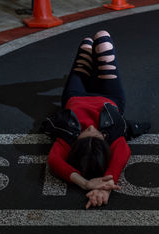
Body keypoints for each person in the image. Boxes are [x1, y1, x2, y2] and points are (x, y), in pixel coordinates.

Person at [45, 30, 131, 209]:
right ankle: (97, 66)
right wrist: (107, 184)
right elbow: (122, 155)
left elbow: (54, 161)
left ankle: (90, 63)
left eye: (86, 133)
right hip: (110, 97)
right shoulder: (113, 137)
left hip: (76, 96)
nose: (92, 128)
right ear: (104, 141)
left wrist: (84, 183)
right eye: (97, 134)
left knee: (86, 45)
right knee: (103, 39)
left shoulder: (67, 139)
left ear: (76, 144)